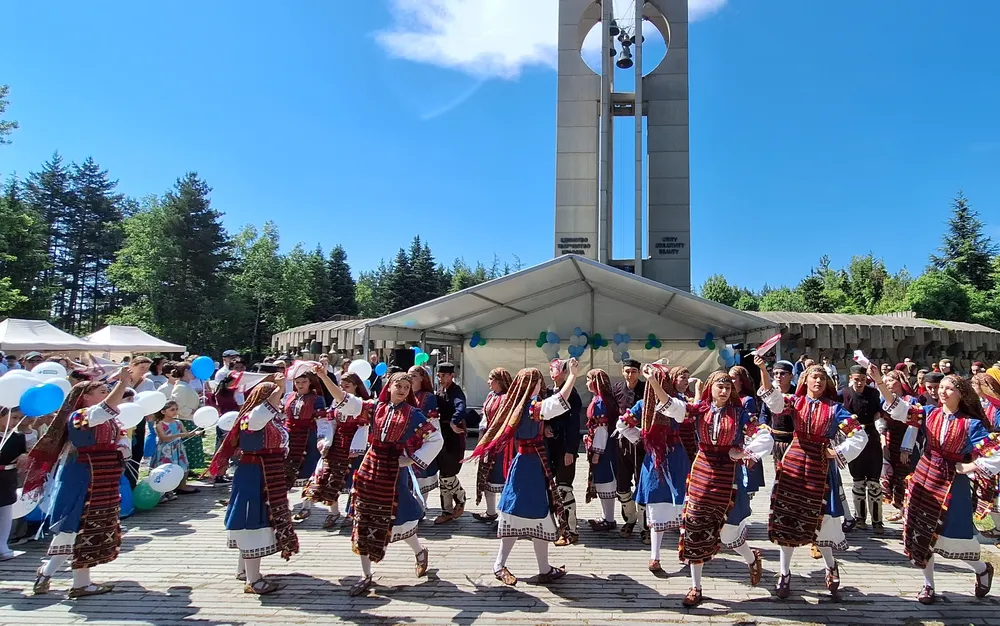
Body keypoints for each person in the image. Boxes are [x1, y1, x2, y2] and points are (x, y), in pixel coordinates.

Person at [758, 358, 887, 600]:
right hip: (794, 461)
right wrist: (764, 370)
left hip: (820, 465)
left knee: (824, 518)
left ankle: (830, 565)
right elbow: (773, 402)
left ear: (826, 383)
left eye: (821, 378)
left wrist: (837, 452)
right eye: (812, 377)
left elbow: (859, 435)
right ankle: (784, 573)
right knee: (787, 515)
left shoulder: (834, 408)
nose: (817, 381)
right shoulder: (794, 402)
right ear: (804, 381)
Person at [470, 360, 581, 586]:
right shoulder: (529, 406)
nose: (541, 386)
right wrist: (573, 376)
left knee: (538, 516)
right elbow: (558, 403)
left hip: (531, 464)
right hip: (527, 466)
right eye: (539, 382)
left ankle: (544, 568)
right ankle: (499, 565)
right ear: (534, 385)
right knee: (516, 514)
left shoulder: (520, 405)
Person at [337, 370, 444, 597]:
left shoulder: (413, 414)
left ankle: (419, 551)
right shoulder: (375, 407)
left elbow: (436, 438)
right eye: (399, 386)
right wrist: (324, 376)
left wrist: (411, 459)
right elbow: (345, 400)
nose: (403, 390)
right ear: (389, 386)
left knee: (398, 519)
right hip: (370, 465)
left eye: (407, 388)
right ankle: (365, 575)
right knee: (363, 517)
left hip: (394, 470)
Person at [672, 370, 772, 607]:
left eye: (728, 387)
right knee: (695, 526)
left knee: (728, 533)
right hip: (702, 471)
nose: (725, 391)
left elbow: (763, 436)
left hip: (729, 475)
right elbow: (672, 408)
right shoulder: (699, 410)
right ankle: (696, 587)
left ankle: (751, 558)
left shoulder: (740, 414)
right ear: (710, 388)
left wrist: (744, 451)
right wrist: (654, 381)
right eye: (720, 386)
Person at [27, 376, 130, 598]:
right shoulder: (80, 416)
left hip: (103, 478)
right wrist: (123, 384)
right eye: (102, 391)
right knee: (75, 524)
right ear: (85, 397)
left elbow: (121, 437)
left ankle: (52, 574)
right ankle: (74, 581)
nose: (107, 394)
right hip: (83, 476)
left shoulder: (110, 420)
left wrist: (123, 448)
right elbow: (102, 411)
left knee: (87, 527)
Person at [901, 375, 1000, 604]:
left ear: (961, 394)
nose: (943, 392)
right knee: (923, 532)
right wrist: (878, 378)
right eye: (941, 388)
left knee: (953, 536)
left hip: (952, 482)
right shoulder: (929, 412)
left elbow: (994, 452)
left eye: (949, 388)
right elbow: (899, 410)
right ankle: (928, 585)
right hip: (925, 475)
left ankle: (982, 568)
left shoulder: (971, 423)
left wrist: (970, 465)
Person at [207, 375, 302, 595]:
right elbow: (262, 415)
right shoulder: (253, 417)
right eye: (273, 397)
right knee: (252, 520)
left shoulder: (271, 419)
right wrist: (278, 386)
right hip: (255, 474)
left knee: (257, 519)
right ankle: (254, 580)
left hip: (267, 473)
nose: (278, 400)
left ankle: (244, 570)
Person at [621, 362, 690, 572]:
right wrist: (642, 439)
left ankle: (685, 550)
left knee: (681, 502)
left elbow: (674, 412)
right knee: (656, 503)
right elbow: (622, 424)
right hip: (656, 458)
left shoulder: (678, 401)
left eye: (660, 380)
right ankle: (655, 556)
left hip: (675, 455)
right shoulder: (643, 404)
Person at [302, 373, 371, 528]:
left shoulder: (361, 403)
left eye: (347, 385)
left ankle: (352, 513)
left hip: (354, 445)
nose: (343, 388)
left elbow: (364, 426)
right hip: (337, 443)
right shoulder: (335, 402)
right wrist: (326, 441)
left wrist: (357, 447)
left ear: (355, 386)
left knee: (354, 482)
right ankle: (333, 512)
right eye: (341, 385)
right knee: (329, 477)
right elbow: (331, 422)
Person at [839, 365, 887, 533]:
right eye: (856, 379)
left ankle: (877, 521)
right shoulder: (844, 394)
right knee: (858, 480)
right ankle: (860, 518)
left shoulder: (873, 393)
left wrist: (879, 416)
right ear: (851, 378)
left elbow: (882, 409)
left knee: (874, 481)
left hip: (872, 438)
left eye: (863, 379)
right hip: (853, 439)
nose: (859, 383)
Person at [282, 365, 328, 521]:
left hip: (308, 437)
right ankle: (282, 504)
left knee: (308, 471)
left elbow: (322, 421)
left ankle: (305, 506)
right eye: (297, 382)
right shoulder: (288, 396)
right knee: (286, 470)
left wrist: (322, 438)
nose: (300, 385)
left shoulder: (317, 399)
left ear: (310, 383)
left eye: (303, 382)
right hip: (289, 437)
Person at [546, 359, 583, 546]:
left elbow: (574, 425)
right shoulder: (546, 392)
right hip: (549, 448)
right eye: (552, 368)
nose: (553, 372)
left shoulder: (572, 395)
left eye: (557, 369)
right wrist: (545, 428)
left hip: (564, 447)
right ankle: (556, 527)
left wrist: (570, 450)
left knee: (564, 489)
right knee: (551, 489)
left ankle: (570, 530)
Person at [473, 367, 514, 523]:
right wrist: (482, 441)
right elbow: (484, 420)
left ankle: (506, 517)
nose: (488, 382)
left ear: (499, 381)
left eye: (491, 379)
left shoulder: (508, 398)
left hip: (504, 446)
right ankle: (491, 512)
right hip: (489, 443)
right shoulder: (491, 396)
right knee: (487, 477)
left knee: (502, 478)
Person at [611, 359, 646, 539]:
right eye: (627, 371)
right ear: (622, 372)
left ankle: (644, 525)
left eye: (634, 371)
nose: (630, 374)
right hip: (622, 442)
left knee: (643, 482)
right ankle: (630, 520)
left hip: (643, 442)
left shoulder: (647, 389)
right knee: (622, 484)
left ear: (639, 372)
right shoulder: (616, 388)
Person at [880, 369, 921, 522]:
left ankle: (907, 510)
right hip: (890, 440)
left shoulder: (911, 400)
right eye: (885, 381)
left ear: (900, 382)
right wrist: (883, 443)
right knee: (890, 475)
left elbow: (913, 426)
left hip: (905, 439)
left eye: (890, 380)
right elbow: (882, 421)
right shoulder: (884, 400)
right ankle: (900, 508)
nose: (887, 384)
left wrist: (906, 449)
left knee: (904, 476)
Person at [584, 369, 618, 532]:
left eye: (588, 379)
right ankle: (607, 517)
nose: (586, 383)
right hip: (605, 446)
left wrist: (597, 451)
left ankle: (609, 519)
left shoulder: (600, 402)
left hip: (605, 449)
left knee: (606, 482)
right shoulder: (602, 400)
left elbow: (602, 429)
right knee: (603, 482)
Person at [434, 362, 468, 525]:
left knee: (448, 473)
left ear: (452, 375)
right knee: (443, 475)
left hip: (453, 438)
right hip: (441, 436)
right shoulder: (440, 391)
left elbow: (461, 407)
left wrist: (454, 422)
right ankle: (446, 510)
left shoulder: (456, 391)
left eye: (444, 375)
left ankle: (460, 498)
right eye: (439, 375)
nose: (441, 378)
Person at [153, 401, 203, 498]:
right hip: (166, 449)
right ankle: (166, 490)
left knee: (183, 466)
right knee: (166, 468)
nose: (175, 412)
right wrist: (179, 435)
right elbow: (164, 438)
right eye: (172, 410)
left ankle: (181, 486)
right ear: (163, 412)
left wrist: (194, 433)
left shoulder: (178, 422)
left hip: (178, 448)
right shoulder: (159, 423)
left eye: (176, 409)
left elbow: (186, 433)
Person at [730, 365, 764, 498]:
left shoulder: (747, 400)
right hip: (730, 446)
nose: (730, 381)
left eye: (733, 378)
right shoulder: (726, 399)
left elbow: (751, 428)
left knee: (744, 488)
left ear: (741, 381)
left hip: (743, 446)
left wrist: (750, 454)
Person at [0, 408, 29, 560]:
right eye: (13, 417)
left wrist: (24, 456)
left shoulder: (18, 437)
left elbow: (22, 452)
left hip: (8, 476)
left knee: (5, 510)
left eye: (19, 418)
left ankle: (2, 545)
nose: (16, 422)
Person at [409, 366, 441, 499]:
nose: (410, 378)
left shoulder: (428, 397)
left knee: (422, 471)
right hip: (406, 441)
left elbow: (432, 421)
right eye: (409, 375)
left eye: (414, 376)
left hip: (423, 440)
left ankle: (421, 506)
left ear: (422, 378)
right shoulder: (405, 394)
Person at [759, 360, 795, 470]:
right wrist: (763, 425)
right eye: (775, 373)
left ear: (791, 376)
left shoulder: (798, 394)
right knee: (779, 473)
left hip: (795, 440)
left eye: (783, 373)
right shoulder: (771, 394)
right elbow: (764, 414)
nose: (778, 376)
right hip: (777, 440)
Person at [169, 363, 204, 471]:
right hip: (185, 421)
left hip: (191, 419)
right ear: (186, 372)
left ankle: (188, 470)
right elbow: (178, 406)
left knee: (191, 446)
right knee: (187, 447)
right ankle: (185, 470)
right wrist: (193, 411)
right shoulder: (180, 387)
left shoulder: (186, 386)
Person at [670, 366, 699, 469]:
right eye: (683, 377)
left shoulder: (690, 395)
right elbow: (690, 414)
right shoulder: (671, 397)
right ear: (674, 379)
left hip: (690, 439)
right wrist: (699, 392)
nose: (686, 381)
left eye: (688, 378)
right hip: (676, 439)